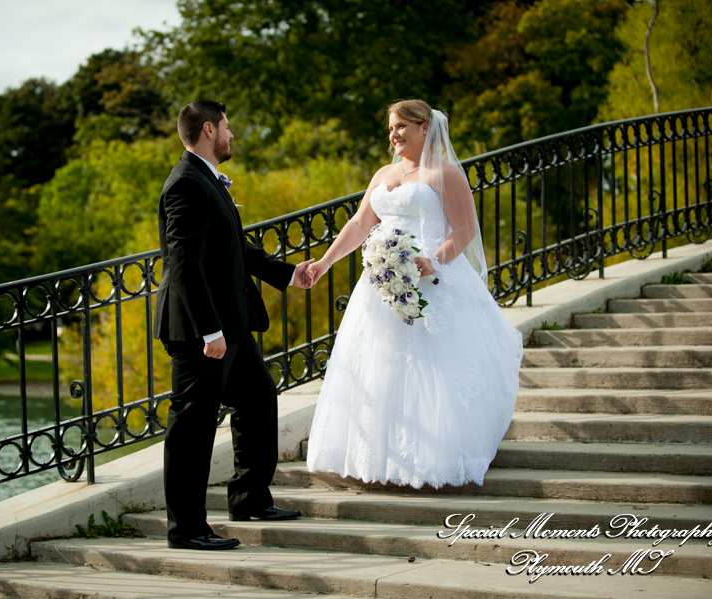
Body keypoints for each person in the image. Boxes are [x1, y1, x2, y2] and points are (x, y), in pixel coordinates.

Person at [304, 99, 523, 489]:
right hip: (383, 283)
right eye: (391, 127)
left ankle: (431, 459)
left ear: (425, 127)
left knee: (428, 369)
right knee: (379, 366)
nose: (394, 134)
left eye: (402, 126)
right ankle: (384, 458)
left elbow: (464, 230)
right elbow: (359, 224)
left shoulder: (444, 174)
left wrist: (433, 261)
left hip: (431, 279)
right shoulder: (384, 173)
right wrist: (325, 263)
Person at [154, 100, 312, 550]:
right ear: (209, 129)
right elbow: (183, 263)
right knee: (192, 425)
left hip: (234, 325)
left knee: (258, 397)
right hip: (202, 331)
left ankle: (249, 498)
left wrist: (286, 273)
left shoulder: (206, 179)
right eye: (228, 127)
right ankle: (186, 528)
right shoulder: (186, 183)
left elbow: (233, 248)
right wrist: (210, 331)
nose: (232, 136)